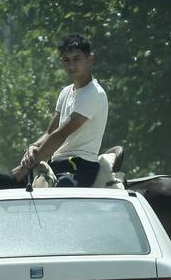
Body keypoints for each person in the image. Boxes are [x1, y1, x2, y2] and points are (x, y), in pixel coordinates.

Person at [14, 33, 109, 188]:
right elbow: (49, 132)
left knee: (59, 194)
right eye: (66, 60)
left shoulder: (93, 93)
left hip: (80, 165)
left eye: (77, 59)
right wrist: (33, 147)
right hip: (57, 163)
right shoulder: (66, 92)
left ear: (90, 59)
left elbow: (61, 134)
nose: (71, 66)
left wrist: (24, 168)